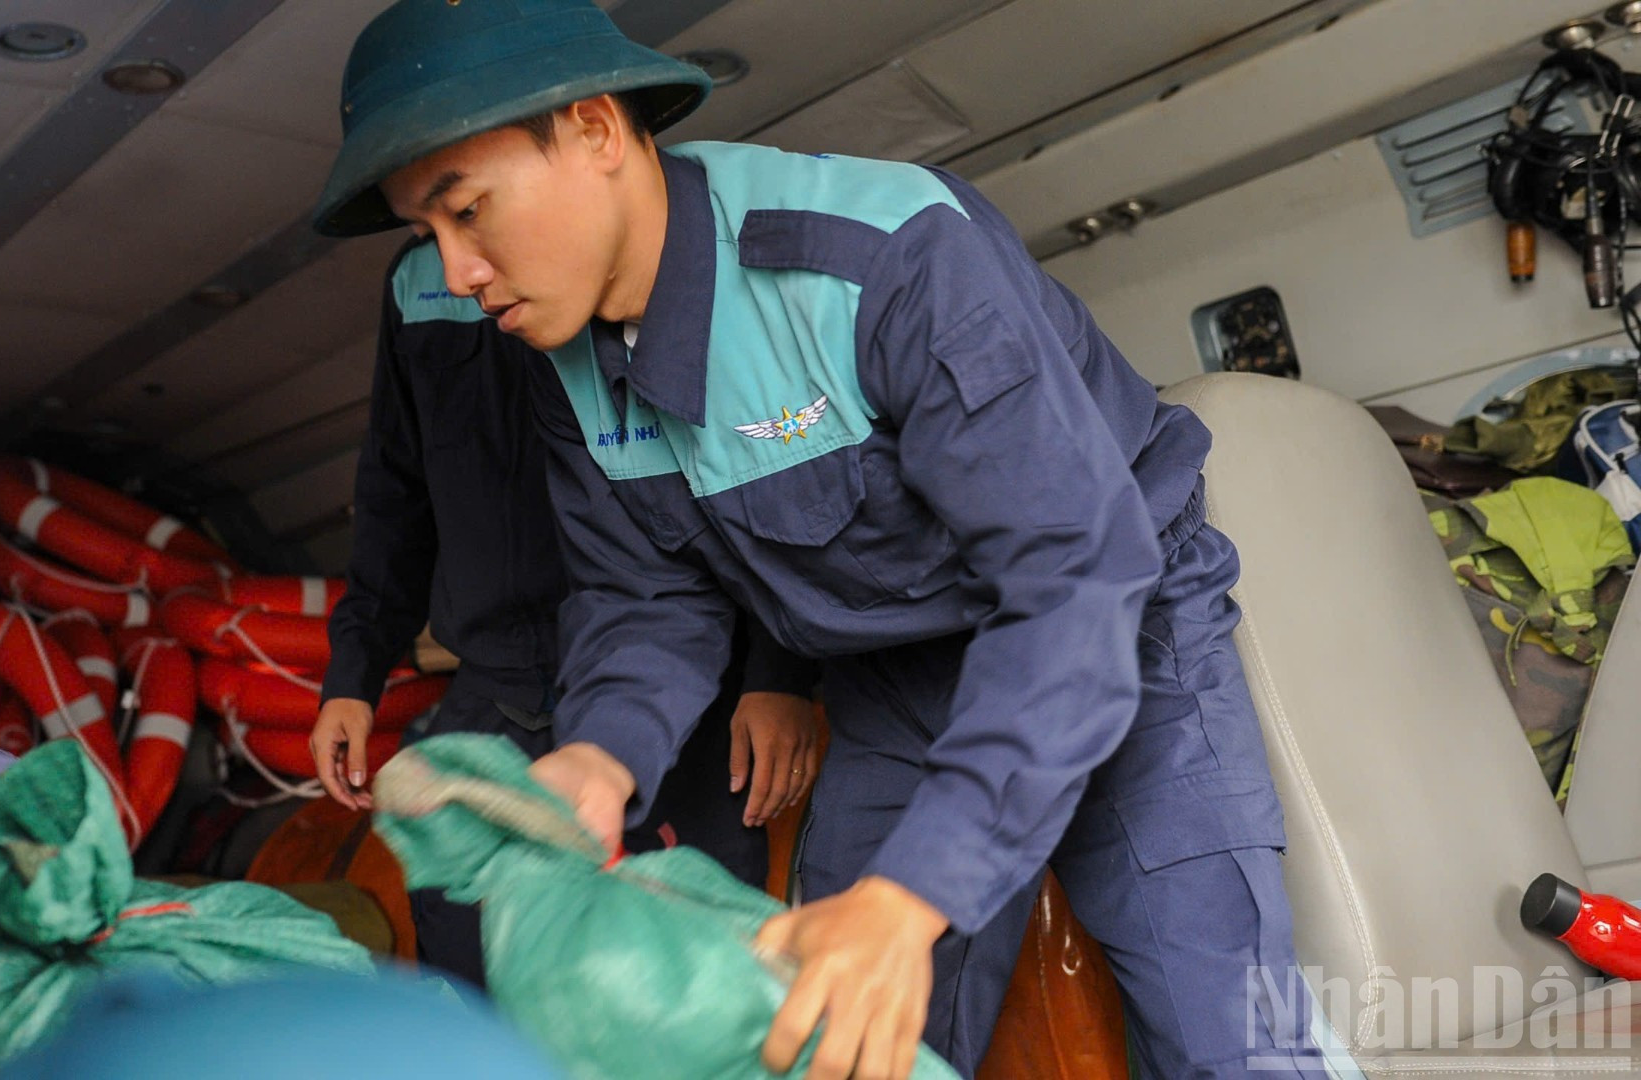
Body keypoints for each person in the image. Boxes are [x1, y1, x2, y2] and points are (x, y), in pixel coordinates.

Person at [310, 2, 1328, 1077]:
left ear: (597, 131)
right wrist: (600, 760)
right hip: (889, 681)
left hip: (1125, 640)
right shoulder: (560, 360)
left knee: (1233, 1042)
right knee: (824, 1040)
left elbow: (1076, 578)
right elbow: (645, 597)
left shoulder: (877, 259)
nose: (458, 273)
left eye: (468, 211)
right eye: (429, 236)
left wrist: (913, 894)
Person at [309, 234, 820, 989]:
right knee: (462, 952)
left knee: (697, 976)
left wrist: (779, 674)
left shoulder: (654, 243)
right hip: (498, 686)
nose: (461, 265)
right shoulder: (419, 283)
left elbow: (769, 479)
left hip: (672, 688)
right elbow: (395, 490)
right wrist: (353, 672)